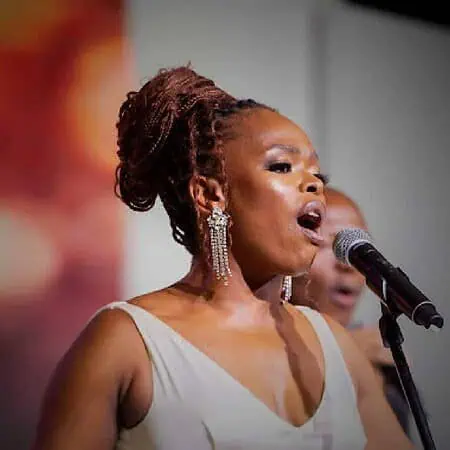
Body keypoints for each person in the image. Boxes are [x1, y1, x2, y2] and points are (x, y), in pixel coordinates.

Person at [32, 66, 412, 450]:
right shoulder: (127, 341)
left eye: (318, 175)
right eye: (282, 166)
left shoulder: (334, 346)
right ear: (210, 194)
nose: (313, 184)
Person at [261, 186, 411, 435]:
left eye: (357, 250)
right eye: (329, 246)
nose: (348, 266)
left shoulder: (379, 355)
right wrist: (341, 357)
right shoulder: (252, 347)